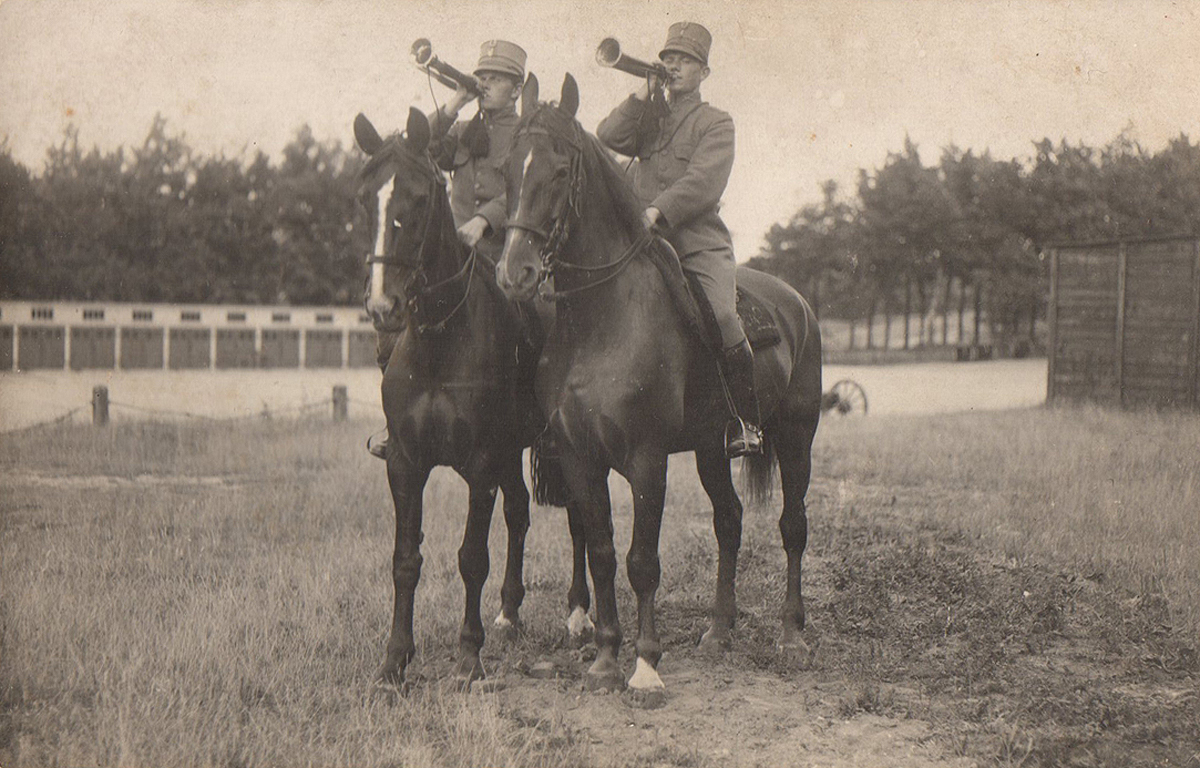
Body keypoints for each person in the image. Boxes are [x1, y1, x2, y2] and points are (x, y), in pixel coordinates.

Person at [596, 22, 761, 457]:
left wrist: (656, 210)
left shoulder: (716, 122)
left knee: (724, 315)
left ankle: (745, 421)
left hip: (695, 242)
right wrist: (640, 94)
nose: (673, 66)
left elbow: (704, 181)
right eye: (668, 59)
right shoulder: (648, 116)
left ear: (703, 72)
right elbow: (608, 137)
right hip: (638, 243)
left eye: (684, 61)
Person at [369, 40, 527, 459]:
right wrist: (458, 98)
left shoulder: (526, 135)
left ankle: (533, 417)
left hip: (502, 249)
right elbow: (414, 145)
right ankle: (397, 423)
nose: (487, 83)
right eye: (483, 76)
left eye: (497, 78)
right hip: (452, 254)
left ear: (517, 88)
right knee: (396, 326)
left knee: (527, 318)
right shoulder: (461, 130)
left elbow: (525, 190)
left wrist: (486, 220)